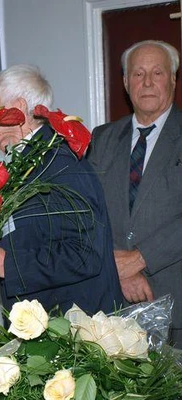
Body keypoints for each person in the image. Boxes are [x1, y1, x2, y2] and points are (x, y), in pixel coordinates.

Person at [0, 64, 123, 317]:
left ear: (18, 107)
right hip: (44, 324)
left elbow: (86, 254)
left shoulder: (60, 163)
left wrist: (5, 263)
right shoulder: (25, 162)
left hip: (75, 330)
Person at [87, 40, 182, 348]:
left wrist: (140, 259)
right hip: (112, 305)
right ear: (126, 83)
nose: (148, 82)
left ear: (173, 79)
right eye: (138, 74)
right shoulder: (101, 138)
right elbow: (87, 210)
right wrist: (120, 271)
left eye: (157, 72)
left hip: (176, 302)